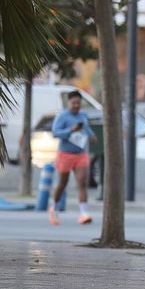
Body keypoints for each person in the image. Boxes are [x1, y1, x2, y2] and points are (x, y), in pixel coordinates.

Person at [49, 91, 94, 226]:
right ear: (68, 103)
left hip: (80, 154)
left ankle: (84, 213)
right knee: (63, 183)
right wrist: (70, 130)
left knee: (82, 182)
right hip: (65, 154)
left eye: (78, 103)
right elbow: (55, 133)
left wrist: (92, 136)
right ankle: (54, 208)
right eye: (73, 103)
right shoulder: (62, 116)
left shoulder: (83, 116)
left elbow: (87, 129)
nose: (76, 106)